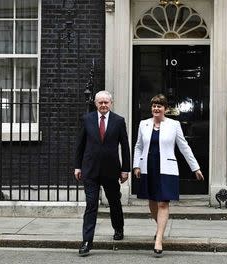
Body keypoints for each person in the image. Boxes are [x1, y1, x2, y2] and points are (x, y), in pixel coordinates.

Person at [133, 94, 204, 257]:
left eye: (159, 106)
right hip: (147, 166)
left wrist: (195, 168)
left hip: (166, 168)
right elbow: (138, 146)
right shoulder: (144, 124)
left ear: (165, 108)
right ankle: (161, 229)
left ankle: (158, 239)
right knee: (152, 202)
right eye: (154, 106)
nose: (156, 109)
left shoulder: (174, 125)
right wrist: (136, 165)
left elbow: (184, 147)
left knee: (163, 203)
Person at [74, 90, 130, 257]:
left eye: (106, 102)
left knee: (114, 201)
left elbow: (125, 146)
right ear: (96, 104)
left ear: (111, 103)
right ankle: (87, 241)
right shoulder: (87, 119)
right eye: (100, 102)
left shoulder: (119, 121)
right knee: (91, 205)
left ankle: (118, 228)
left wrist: (125, 169)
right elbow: (80, 145)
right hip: (90, 170)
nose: (103, 105)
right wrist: (77, 167)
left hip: (111, 170)